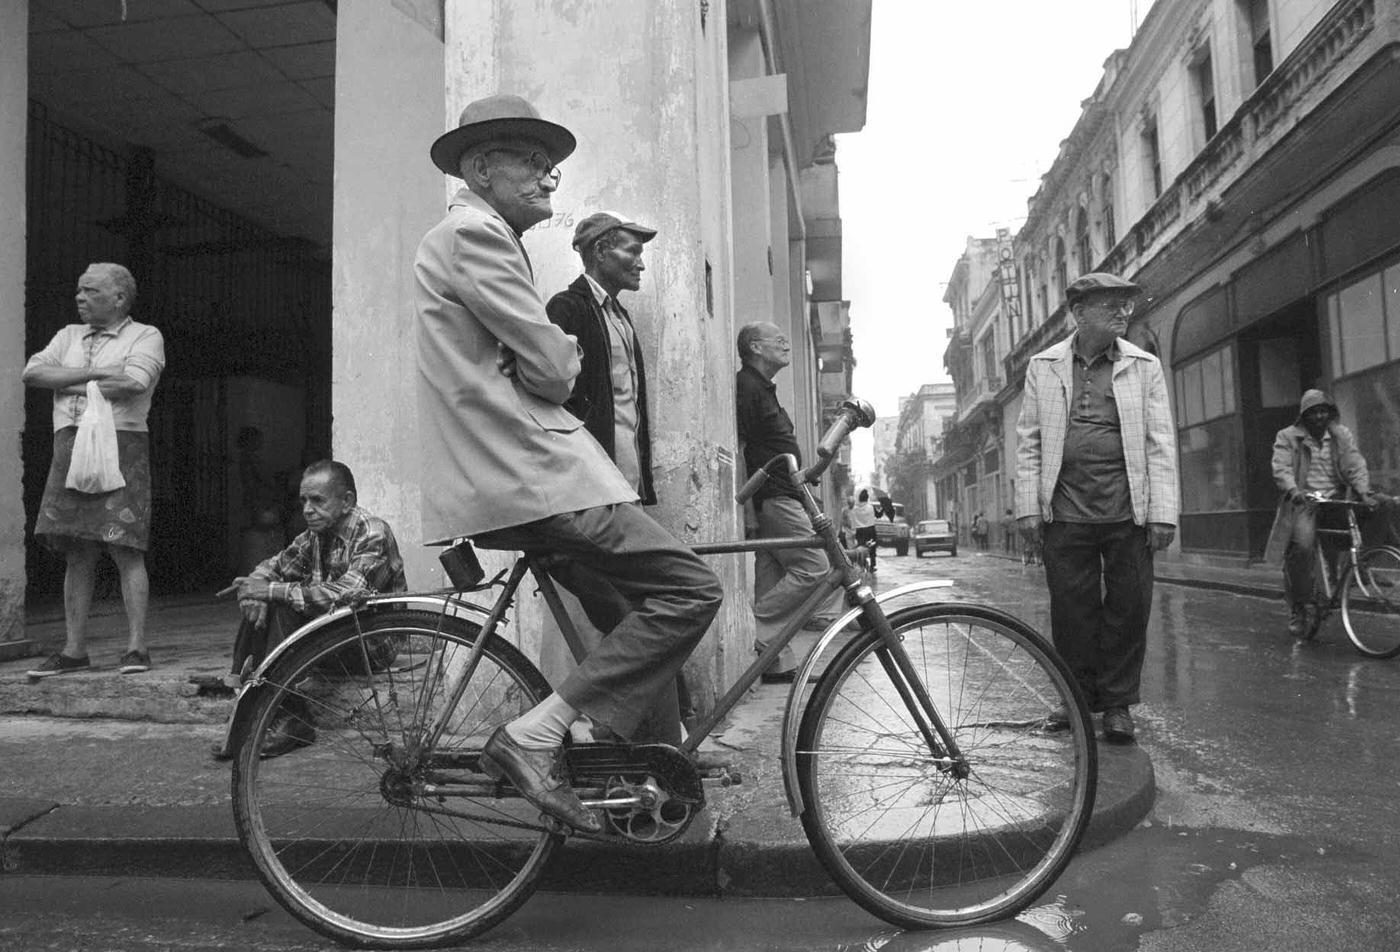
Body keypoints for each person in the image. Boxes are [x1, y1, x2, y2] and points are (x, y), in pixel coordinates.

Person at [415, 93, 722, 832]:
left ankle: (645, 769)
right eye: (532, 162)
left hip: (536, 476)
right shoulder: (475, 236)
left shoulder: (480, 235)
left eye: (551, 166)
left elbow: (543, 366)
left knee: (622, 613)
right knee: (692, 589)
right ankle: (540, 733)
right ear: (482, 167)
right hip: (534, 474)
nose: (549, 178)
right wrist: (557, 360)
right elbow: (555, 370)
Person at [1015, 272, 1177, 744]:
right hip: (1065, 511)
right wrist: (1028, 507)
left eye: (1127, 305)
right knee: (1072, 612)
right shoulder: (1043, 365)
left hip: (1129, 511)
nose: (1124, 312)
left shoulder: (1144, 366)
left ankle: (1117, 705)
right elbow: (1028, 441)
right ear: (1080, 312)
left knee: (1129, 609)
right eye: (1112, 306)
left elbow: (1160, 441)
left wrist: (1164, 511)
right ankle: (1077, 699)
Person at [545, 210, 685, 742]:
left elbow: (629, 410)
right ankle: (580, 727)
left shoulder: (621, 317)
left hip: (622, 485)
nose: (640, 261)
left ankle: (650, 733)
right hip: (587, 488)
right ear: (600, 251)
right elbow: (555, 396)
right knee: (608, 613)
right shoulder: (569, 307)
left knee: (631, 613)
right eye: (630, 250)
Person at [23, 263, 165, 679]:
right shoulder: (68, 335)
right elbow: (32, 372)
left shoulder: (145, 335)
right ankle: (74, 650)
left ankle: (136, 646)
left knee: (126, 547)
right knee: (76, 549)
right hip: (69, 445)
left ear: (119, 298)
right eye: (79, 291)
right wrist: (93, 373)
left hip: (122, 445)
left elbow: (134, 382)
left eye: (90, 291)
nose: (79, 298)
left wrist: (63, 380)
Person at [212, 460, 408, 758]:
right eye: (303, 500)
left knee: (281, 604)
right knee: (270, 601)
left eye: (317, 500)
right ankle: (249, 707)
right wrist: (256, 589)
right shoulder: (315, 535)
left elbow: (346, 594)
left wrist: (270, 591)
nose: (306, 509)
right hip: (334, 635)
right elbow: (274, 566)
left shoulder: (372, 532)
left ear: (347, 502)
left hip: (369, 643)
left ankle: (292, 719)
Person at [735, 322, 829, 683]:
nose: (786, 343)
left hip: (781, 493)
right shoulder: (748, 387)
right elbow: (743, 447)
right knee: (816, 567)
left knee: (771, 573)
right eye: (778, 339)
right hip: (772, 496)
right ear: (756, 348)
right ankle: (755, 626)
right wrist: (748, 508)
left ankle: (775, 665)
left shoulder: (762, 388)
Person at [1264, 390, 1376, 637]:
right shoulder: (1287, 437)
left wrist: (1364, 490)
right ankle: (1299, 606)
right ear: (1304, 416)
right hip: (1306, 501)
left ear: (1330, 413)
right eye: (1313, 412)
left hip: (1335, 499)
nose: (1319, 416)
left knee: (1367, 519)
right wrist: (1294, 490)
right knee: (1303, 547)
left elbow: (1354, 464)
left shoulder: (1340, 435)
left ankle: (1358, 570)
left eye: (1323, 411)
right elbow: (1281, 468)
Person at [850, 489, 879, 572]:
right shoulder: (871, 507)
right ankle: (872, 565)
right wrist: (882, 510)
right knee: (872, 548)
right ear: (867, 498)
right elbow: (878, 515)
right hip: (870, 530)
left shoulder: (855, 509)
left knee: (861, 547)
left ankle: (862, 564)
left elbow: (853, 520)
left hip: (860, 531)